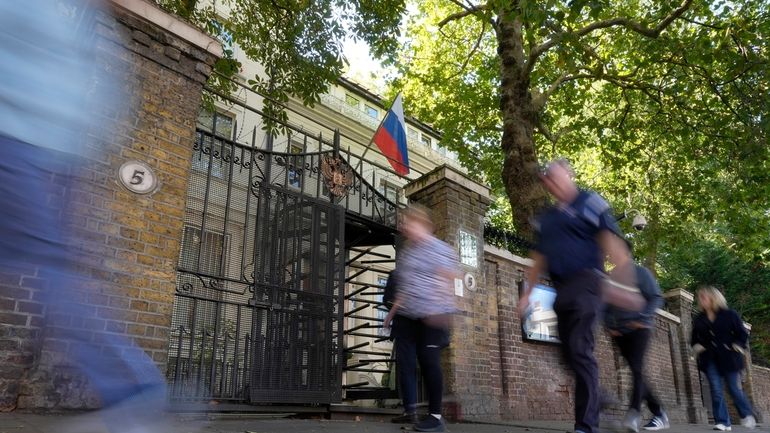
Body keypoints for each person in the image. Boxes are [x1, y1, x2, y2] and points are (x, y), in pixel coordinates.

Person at [0, 2, 168, 432]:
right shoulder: (83, 19)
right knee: (54, 270)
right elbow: (106, 89)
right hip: (49, 144)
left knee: (54, 271)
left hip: (19, 137)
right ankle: (130, 386)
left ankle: (130, 387)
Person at [519, 158, 639, 433]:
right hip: (561, 290)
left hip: (588, 283)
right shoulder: (546, 219)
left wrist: (626, 285)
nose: (552, 181)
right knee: (568, 354)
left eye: (557, 175)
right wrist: (527, 293)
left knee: (580, 350)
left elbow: (612, 243)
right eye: (548, 178)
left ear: (569, 174)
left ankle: (586, 425)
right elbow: (538, 258)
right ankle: (597, 397)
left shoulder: (590, 201)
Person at [384, 205, 459, 432]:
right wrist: (391, 313)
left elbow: (451, 277)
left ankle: (435, 417)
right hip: (408, 315)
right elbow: (405, 288)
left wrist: (443, 307)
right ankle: (412, 410)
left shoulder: (440, 249)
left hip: (432, 313)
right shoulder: (407, 252)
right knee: (407, 362)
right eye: (404, 223)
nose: (405, 227)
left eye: (409, 223)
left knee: (429, 361)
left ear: (424, 225)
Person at [604, 264, 668, 432]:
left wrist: (642, 317)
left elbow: (656, 297)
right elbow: (605, 305)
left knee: (637, 370)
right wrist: (610, 326)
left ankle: (634, 413)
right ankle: (659, 413)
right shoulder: (612, 277)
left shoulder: (640, 272)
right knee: (637, 371)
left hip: (640, 329)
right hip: (620, 333)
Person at [691, 287, 756, 431]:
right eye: (700, 297)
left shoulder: (729, 314)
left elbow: (742, 334)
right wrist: (697, 346)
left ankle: (746, 414)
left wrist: (737, 345)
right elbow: (694, 338)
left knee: (733, 389)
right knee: (716, 389)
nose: (700, 300)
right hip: (709, 358)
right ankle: (722, 421)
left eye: (704, 297)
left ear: (714, 298)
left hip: (729, 357)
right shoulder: (699, 318)